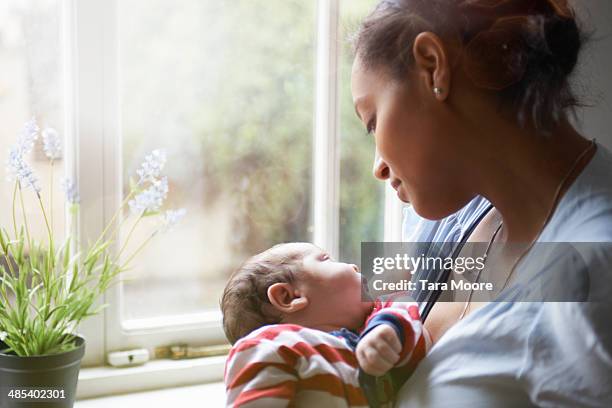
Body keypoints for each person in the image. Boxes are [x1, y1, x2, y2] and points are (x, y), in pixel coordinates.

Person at [350, 0, 612, 406]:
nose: (378, 169)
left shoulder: (593, 272)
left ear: (432, 65)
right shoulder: (449, 226)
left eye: (372, 122)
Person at [221, 242, 432, 407]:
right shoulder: (272, 345)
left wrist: (387, 331)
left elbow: (412, 322)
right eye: (326, 259)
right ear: (289, 297)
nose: (353, 265)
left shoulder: (378, 319)